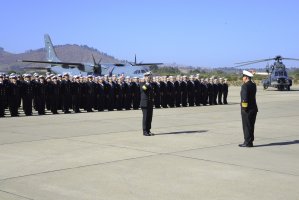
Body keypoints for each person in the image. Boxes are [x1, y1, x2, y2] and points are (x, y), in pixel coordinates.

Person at [239, 70, 258, 147]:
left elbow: (244, 99)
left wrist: (244, 108)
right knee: (251, 126)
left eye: (243, 77)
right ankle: (250, 141)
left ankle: (247, 142)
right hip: (254, 108)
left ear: (246, 77)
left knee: (246, 126)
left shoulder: (245, 86)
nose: (242, 78)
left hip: (247, 109)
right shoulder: (253, 85)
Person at [140, 71, 154, 136]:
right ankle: (144, 131)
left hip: (150, 103)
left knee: (149, 117)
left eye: (150, 77)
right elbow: (144, 89)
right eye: (148, 77)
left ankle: (148, 130)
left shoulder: (151, 84)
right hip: (144, 103)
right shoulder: (142, 83)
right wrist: (147, 83)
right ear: (145, 77)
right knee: (145, 117)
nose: (149, 78)